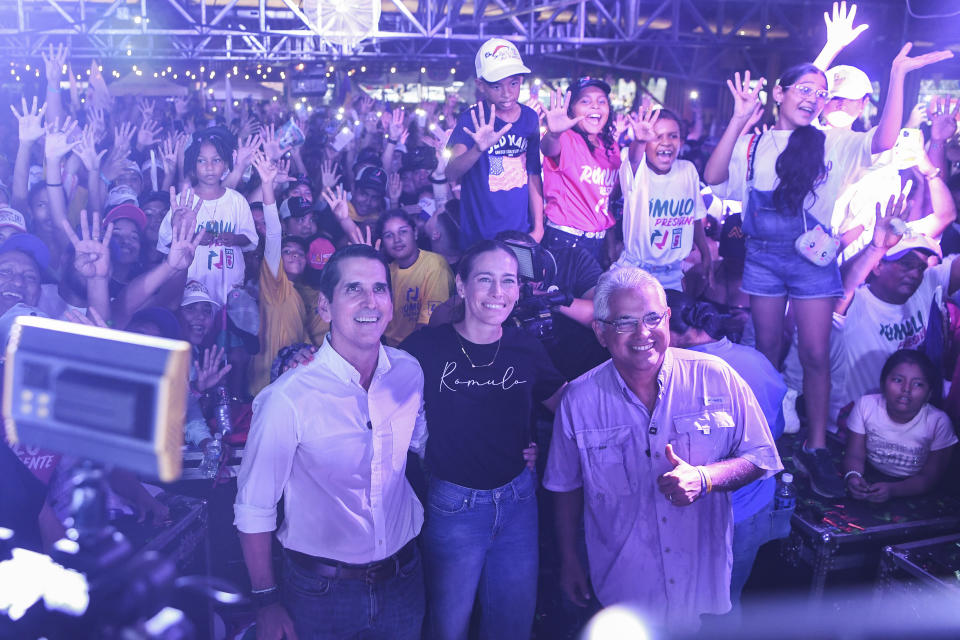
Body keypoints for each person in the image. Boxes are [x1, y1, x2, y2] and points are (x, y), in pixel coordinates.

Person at [703, 43, 952, 497]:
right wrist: (739, 118)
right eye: (806, 90)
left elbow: (883, 140)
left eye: (821, 93)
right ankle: (763, 435)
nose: (815, 99)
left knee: (816, 355)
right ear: (778, 94)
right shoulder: (756, 141)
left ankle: (815, 448)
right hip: (763, 261)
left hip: (812, 265)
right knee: (767, 349)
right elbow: (715, 176)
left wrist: (896, 76)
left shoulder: (832, 140)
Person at [543, 267, 782, 633]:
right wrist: (570, 560)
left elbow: (760, 457)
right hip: (625, 584)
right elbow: (565, 486)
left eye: (653, 318)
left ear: (668, 318)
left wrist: (705, 478)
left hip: (701, 584)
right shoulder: (578, 400)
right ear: (600, 331)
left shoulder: (716, 376)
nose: (643, 333)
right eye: (625, 322)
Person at [234, 244, 428, 640]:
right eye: (353, 289)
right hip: (321, 593)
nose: (369, 301)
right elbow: (254, 507)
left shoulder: (408, 372)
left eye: (379, 289)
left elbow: (424, 442)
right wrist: (266, 600)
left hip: (403, 580)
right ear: (325, 307)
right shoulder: (288, 398)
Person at [400, 240, 565, 640]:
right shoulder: (425, 349)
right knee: (447, 628)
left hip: (518, 502)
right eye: (485, 280)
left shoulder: (525, 347)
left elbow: (569, 407)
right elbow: (379, 407)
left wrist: (540, 448)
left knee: (512, 626)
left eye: (508, 281)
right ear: (461, 286)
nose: (498, 293)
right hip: (454, 507)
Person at [666, 292, 788, 621]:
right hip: (752, 509)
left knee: (681, 607)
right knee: (727, 604)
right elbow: (777, 428)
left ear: (672, 330)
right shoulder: (755, 360)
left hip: (701, 516)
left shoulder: (677, 371)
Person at [445, 38, 544, 248]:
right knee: (482, 280)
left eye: (513, 83)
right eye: (496, 86)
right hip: (479, 238)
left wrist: (538, 227)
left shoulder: (530, 118)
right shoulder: (471, 118)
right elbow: (451, 173)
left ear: (521, 81)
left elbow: (533, 174)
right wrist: (478, 149)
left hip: (521, 234)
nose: (507, 93)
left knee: (519, 280)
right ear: (481, 85)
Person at [156, 128, 259, 306]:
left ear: (226, 165)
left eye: (216, 160)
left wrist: (234, 238)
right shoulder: (183, 200)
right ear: (194, 167)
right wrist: (192, 237)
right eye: (201, 161)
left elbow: (250, 239)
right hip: (192, 289)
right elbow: (164, 243)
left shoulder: (236, 200)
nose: (209, 167)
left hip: (230, 289)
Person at [615, 107, 711, 291]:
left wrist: (705, 253)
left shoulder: (687, 170)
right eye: (656, 136)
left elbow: (695, 217)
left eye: (673, 136)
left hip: (673, 274)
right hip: (636, 271)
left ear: (681, 141)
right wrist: (640, 140)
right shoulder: (636, 170)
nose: (666, 142)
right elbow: (634, 158)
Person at [843, 349, 956, 502]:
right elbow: (855, 455)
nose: (906, 389)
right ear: (883, 384)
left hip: (916, 491)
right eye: (898, 380)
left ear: (929, 393)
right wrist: (853, 477)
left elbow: (929, 478)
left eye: (918, 384)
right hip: (870, 477)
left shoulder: (938, 423)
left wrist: (893, 490)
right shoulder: (866, 406)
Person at [539, 78, 622, 264]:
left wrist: (610, 245)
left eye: (602, 101)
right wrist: (553, 134)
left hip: (598, 241)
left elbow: (607, 198)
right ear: (571, 110)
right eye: (585, 101)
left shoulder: (611, 146)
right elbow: (548, 148)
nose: (595, 106)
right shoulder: (567, 138)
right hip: (565, 240)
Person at [248, 153, 309, 395]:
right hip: (264, 389)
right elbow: (273, 234)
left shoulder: (298, 296)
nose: (295, 255)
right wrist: (267, 185)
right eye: (288, 251)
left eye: (300, 253)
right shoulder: (275, 283)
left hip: (291, 390)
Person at [379, 209, 453, 346]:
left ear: (415, 233)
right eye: (389, 235)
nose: (397, 240)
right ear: (383, 242)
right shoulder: (386, 272)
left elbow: (429, 326)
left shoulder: (435, 265)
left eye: (403, 231)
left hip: (423, 349)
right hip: (391, 351)